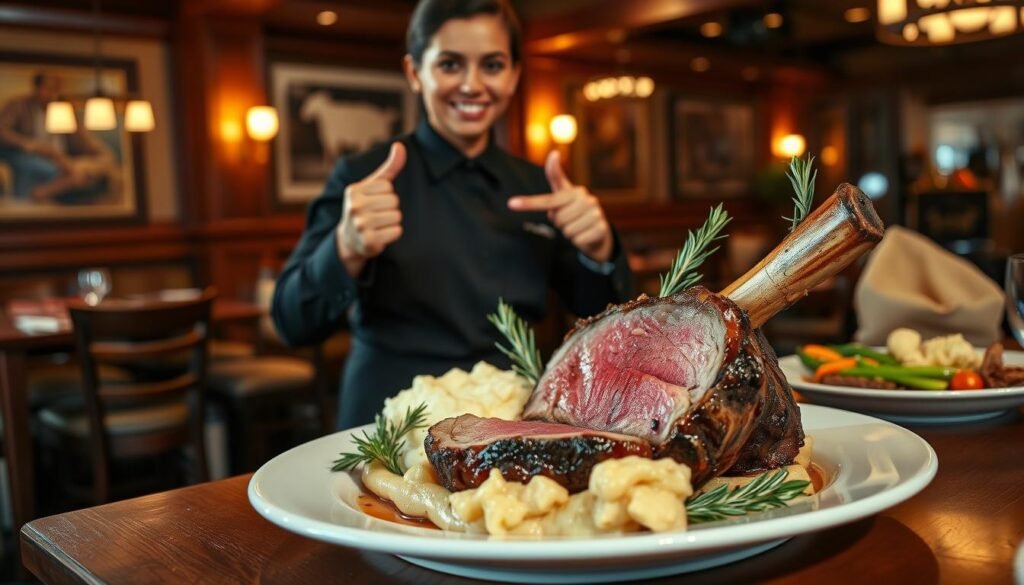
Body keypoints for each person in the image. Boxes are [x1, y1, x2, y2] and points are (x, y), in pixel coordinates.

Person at [272, 0, 634, 429]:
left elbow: (609, 319)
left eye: (493, 65)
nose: (472, 84)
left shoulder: (540, 185)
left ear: (515, 75)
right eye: (449, 64)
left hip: (512, 414)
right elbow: (291, 322)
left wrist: (599, 250)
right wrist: (345, 247)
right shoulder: (361, 178)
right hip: (388, 420)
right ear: (415, 73)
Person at [0, 71, 118, 203]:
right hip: (34, 157)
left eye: (56, 88)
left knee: (99, 164)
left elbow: (85, 140)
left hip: (64, 159)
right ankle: (43, 192)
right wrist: (32, 146)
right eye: (49, 88)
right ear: (37, 88)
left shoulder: (64, 109)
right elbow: (3, 132)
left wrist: (91, 158)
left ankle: (43, 192)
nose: (53, 93)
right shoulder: (18, 106)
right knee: (60, 170)